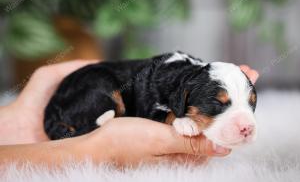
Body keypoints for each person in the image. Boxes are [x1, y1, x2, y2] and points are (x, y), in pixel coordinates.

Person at [0, 60, 259, 167]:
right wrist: (89, 149)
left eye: (250, 103)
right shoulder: (170, 87)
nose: (245, 122)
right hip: (89, 89)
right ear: (183, 99)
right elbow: (154, 107)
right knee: (104, 91)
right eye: (218, 104)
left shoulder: (190, 80)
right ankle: (79, 130)